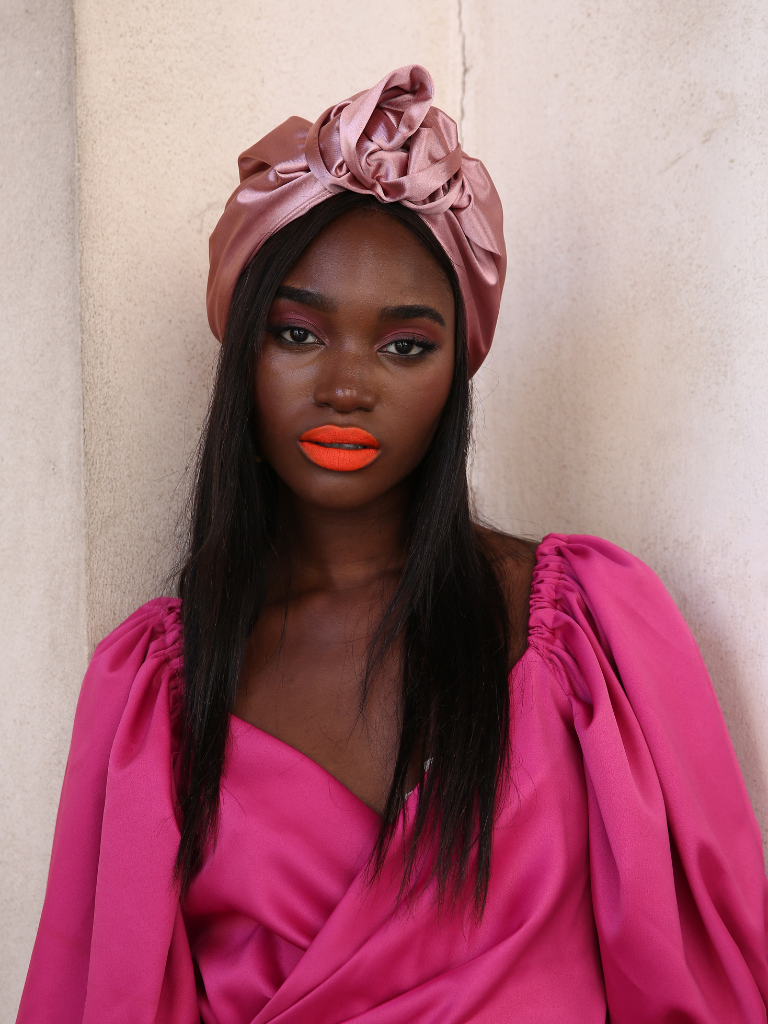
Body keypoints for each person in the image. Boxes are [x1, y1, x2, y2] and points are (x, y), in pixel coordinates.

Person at [17, 65, 768, 1024]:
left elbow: (700, 990)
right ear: (243, 348)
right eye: (297, 333)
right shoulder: (153, 696)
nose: (346, 386)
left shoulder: (595, 638)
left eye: (405, 345)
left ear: (459, 369)